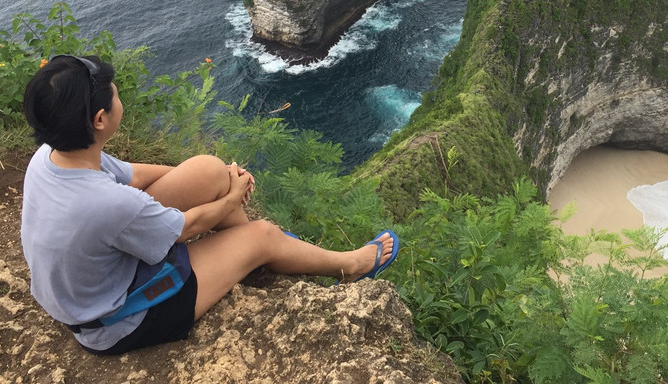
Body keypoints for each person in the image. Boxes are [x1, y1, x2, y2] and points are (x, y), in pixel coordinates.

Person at [20, 54, 399, 355]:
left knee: (208, 170)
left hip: (92, 282)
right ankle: (348, 265)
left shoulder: (51, 157)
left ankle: (258, 254)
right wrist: (232, 196)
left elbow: (132, 176)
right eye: (115, 96)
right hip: (118, 320)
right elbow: (186, 228)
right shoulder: (107, 203)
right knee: (264, 235)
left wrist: (216, 180)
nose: (120, 99)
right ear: (101, 119)